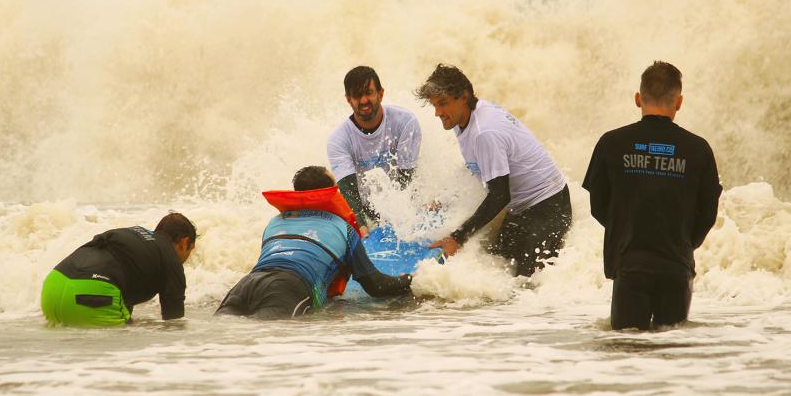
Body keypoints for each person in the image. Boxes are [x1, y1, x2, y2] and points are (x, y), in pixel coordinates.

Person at [582, 61, 722, 330]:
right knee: (672, 350)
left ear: (638, 98)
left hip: (630, 264)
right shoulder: (698, 149)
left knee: (627, 346)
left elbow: (598, 206)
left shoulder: (612, 142)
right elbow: (708, 213)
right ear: (679, 102)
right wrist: (682, 241)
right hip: (676, 264)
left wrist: (626, 230)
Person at [414, 64, 572, 277]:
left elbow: (499, 195)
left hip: (548, 206)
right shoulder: (466, 119)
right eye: (435, 105)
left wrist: (457, 238)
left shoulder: (484, 132)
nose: (437, 113)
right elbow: (478, 168)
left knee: (526, 283)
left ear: (463, 97)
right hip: (522, 208)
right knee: (497, 265)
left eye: (442, 104)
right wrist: (445, 199)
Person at [215, 166, 413, 319]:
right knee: (270, 337)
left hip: (246, 284)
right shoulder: (343, 228)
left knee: (227, 333)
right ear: (331, 193)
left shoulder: (275, 222)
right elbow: (376, 286)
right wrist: (412, 281)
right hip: (289, 287)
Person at [40, 213, 197, 327]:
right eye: (190, 251)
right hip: (91, 296)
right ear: (184, 242)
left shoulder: (135, 237)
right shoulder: (170, 258)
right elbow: (174, 322)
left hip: (52, 289)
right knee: (127, 352)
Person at [327, 66, 422, 237]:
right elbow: (349, 190)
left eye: (369, 93)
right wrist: (361, 225)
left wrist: (400, 218)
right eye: (357, 95)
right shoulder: (338, 140)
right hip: (367, 209)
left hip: (405, 201)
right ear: (349, 100)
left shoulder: (405, 122)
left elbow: (406, 178)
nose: (363, 100)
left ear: (381, 93)